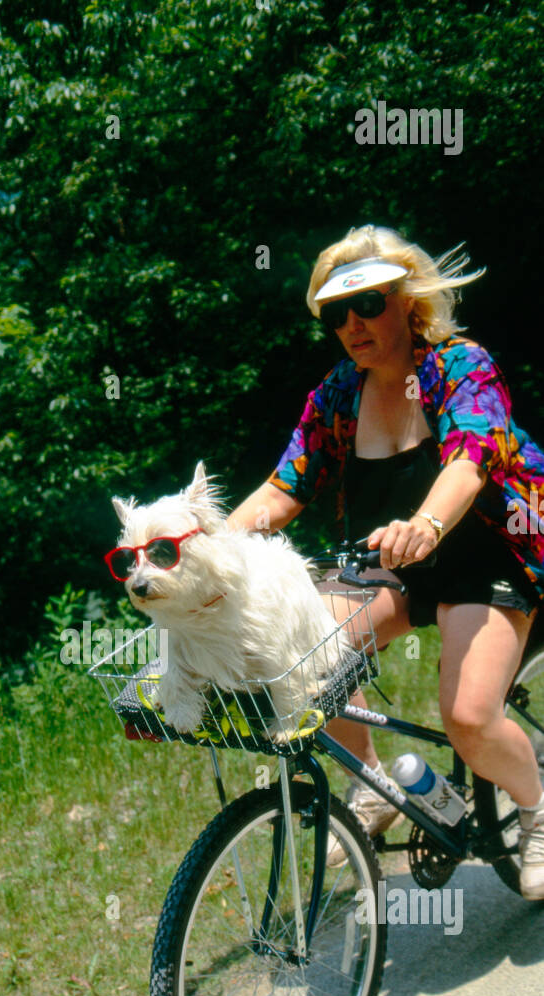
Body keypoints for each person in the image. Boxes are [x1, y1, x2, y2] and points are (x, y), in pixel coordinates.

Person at [228, 224, 544, 899]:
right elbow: (285, 486)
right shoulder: (337, 394)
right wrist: (206, 550)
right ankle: (370, 785)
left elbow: (471, 455)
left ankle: (536, 807)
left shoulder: (458, 364)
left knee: (467, 719)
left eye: (366, 303)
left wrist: (429, 522)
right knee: (303, 655)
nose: (351, 324)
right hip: (392, 563)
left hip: (487, 556)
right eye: (335, 314)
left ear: (406, 300)